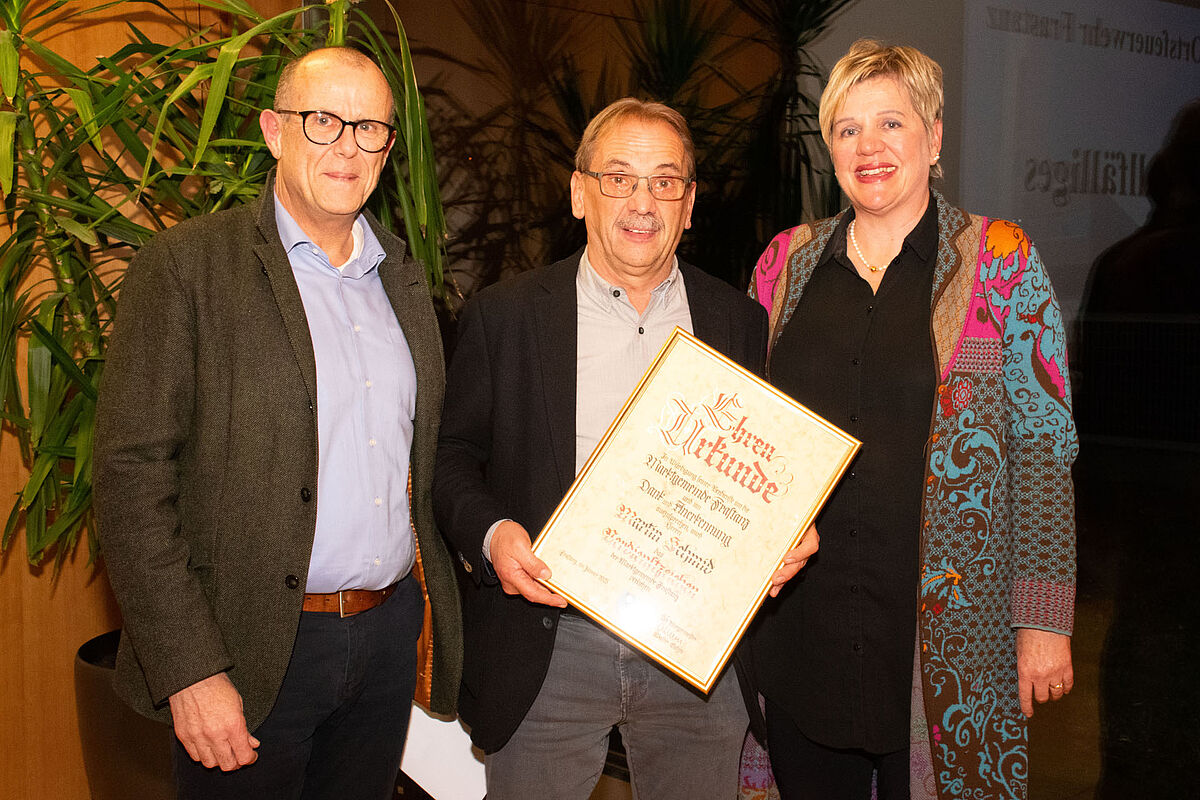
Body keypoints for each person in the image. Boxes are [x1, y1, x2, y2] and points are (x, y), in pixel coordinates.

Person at [93, 47, 462, 800]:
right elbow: (130, 481)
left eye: (370, 129)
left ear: (390, 148)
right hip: (249, 650)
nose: (347, 147)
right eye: (323, 121)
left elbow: (419, 463)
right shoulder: (188, 266)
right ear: (272, 130)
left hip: (385, 641)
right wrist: (190, 668)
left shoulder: (404, 277)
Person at [433, 97, 818, 800]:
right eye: (619, 177)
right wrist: (492, 537)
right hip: (547, 644)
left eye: (665, 181)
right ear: (579, 193)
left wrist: (786, 529)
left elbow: (766, 468)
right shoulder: (506, 316)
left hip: (694, 655)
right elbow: (452, 455)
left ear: (690, 203)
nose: (643, 202)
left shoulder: (736, 321)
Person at [746, 39, 1077, 800]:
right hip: (803, 638)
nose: (869, 146)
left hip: (950, 643)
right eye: (847, 128)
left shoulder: (1001, 260)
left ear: (933, 138)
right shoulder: (782, 265)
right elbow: (747, 425)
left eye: (891, 124)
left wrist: (1044, 619)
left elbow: (1042, 449)